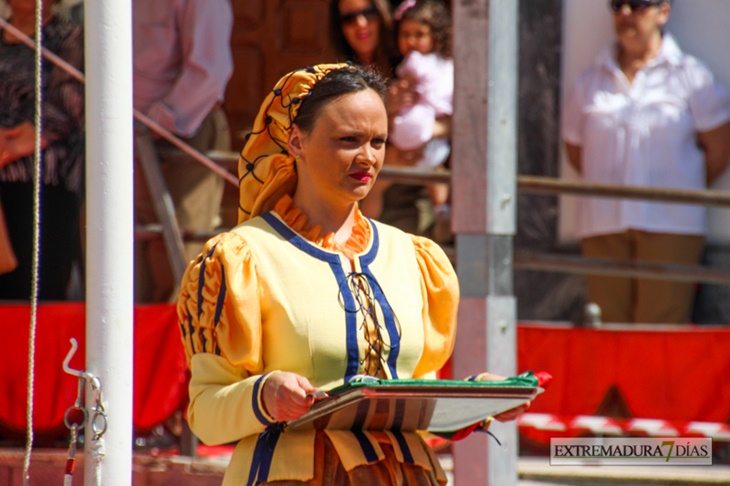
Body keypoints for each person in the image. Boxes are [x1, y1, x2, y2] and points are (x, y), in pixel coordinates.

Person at [177, 64, 526, 485]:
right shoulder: (240, 257)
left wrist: (474, 398)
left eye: (378, 141)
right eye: (349, 140)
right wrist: (265, 395)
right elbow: (206, 412)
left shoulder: (413, 255)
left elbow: (410, 401)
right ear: (296, 141)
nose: (368, 157)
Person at [562, 0, 730, 323]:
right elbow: (575, 150)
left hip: (671, 226)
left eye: (637, 4)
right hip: (603, 225)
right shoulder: (590, 81)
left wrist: (678, 187)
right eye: (617, 5)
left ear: (662, 12)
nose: (625, 14)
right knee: (606, 328)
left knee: (660, 332)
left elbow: (719, 149)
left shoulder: (691, 76)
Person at [133, 0, 234, 303]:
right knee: (131, 253)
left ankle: (178, 348)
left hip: (185, 129)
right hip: (123, 135)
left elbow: (209, 71)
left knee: (183, 254)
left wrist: (153, 122)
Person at [0, 0, 85, 300]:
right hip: (3, 184)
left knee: (37, 285)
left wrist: (11, 144)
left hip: (46, 181)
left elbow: (68, 100)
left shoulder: (69, 37)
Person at [360, 0, 453, 243]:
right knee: (377, 184)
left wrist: (428, 132)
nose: (411, 41)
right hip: (402, 149)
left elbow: (453, 119)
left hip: (425, 146)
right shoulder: (403, 67)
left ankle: (440, 213)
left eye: (419, 35)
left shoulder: (428, 67)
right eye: (406, 35)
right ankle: (364, 228)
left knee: (433, 177)